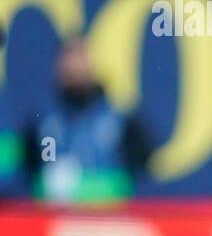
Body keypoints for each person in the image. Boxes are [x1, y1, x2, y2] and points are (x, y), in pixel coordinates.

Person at [20, 39, 154, 205]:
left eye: (80, 62)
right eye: (69, 64)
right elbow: (28, 170)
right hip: (55, 218)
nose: (75, 69)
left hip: (108, 218)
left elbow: (138, 170)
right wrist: (48, 184)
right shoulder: (42, 120)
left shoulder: (121, 118)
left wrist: (95, 188)